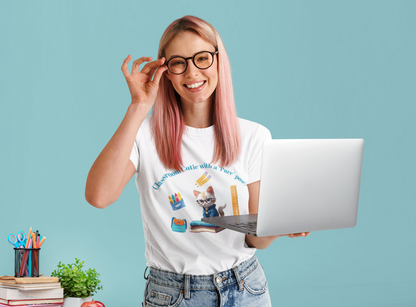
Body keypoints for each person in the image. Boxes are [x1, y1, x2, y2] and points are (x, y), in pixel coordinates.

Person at [85, 15, 310, 307]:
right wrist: (138, 106)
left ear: (218, 61)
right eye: (179, 62)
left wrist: (278, 226)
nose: (192, 72)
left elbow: (255, 240)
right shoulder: (143, 134)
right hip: (172, 293)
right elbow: (99, 196)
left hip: (246, 288)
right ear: (165, 70)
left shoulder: (254, 135)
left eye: (202, 58)